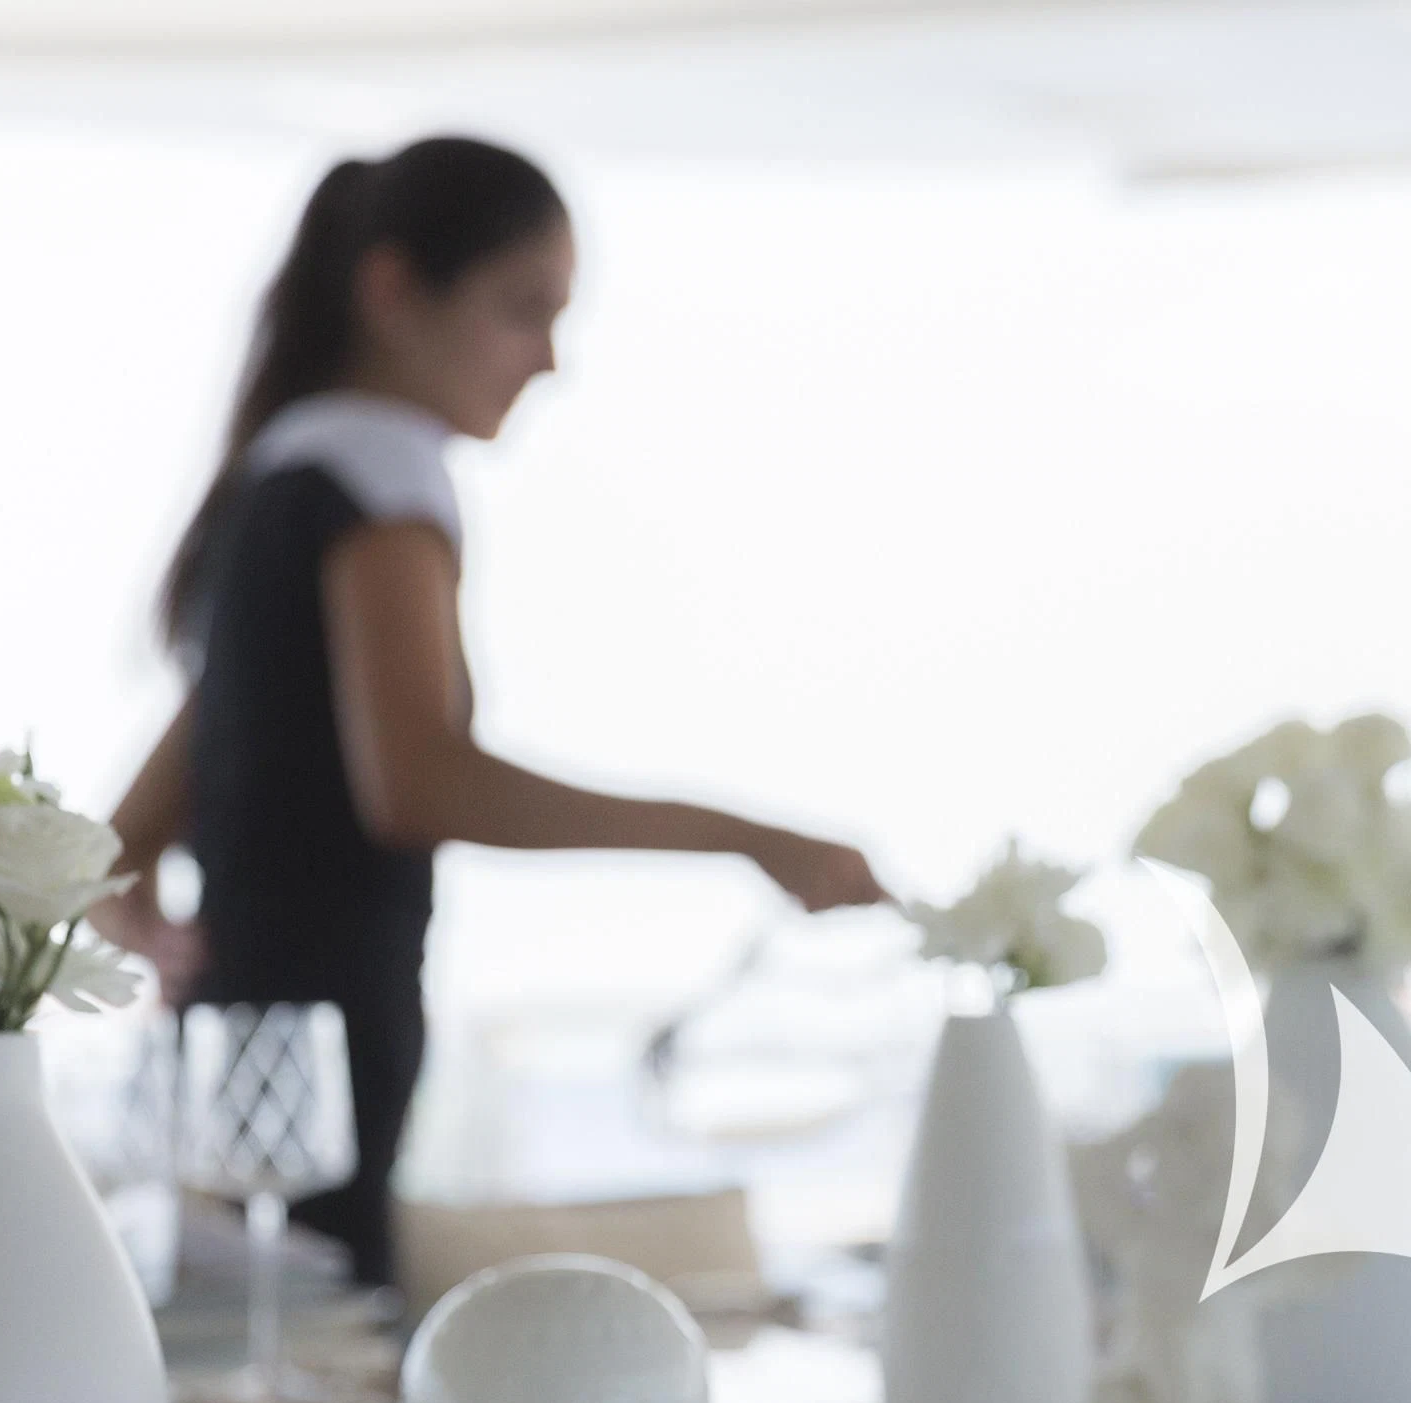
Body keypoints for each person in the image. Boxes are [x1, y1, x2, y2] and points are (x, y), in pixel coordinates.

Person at [98, 137, 886, 1287]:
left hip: (230, 1065)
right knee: (318, 1342)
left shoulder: (278, 484)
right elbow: (422, 785)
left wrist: (171, 945)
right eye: (523, 311)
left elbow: (120, 846)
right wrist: (748, 837)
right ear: (391, 291)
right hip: (329, 1062)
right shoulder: (380, 476)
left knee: (259, 1348)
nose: (550, 360)